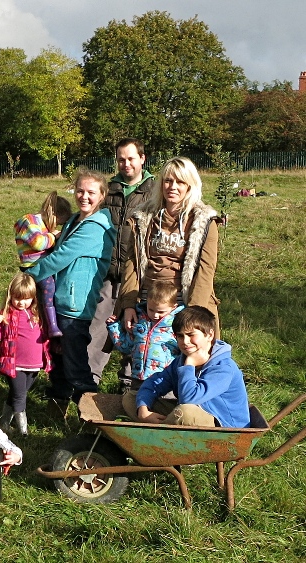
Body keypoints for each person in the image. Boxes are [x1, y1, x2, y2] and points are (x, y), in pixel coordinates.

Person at [25, 169, 114, 403]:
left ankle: (91, 414)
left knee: (76, 366)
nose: (84, 196)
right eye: (80, 190)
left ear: (102, 195)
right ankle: (57, 408)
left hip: (75, 305)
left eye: (91, 192)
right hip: (60, 300)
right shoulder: (74, 220)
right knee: (59, 361)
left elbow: (60, 257)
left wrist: (28, 276)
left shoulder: (96, 227)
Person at [117, 156, 221, 334]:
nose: (173, 187)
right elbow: (131, 265)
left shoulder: (204, 221)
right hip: (147, 303)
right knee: (143, 357)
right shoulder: (142, 217)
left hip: (184, 302)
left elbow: (206, 270)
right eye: (168, 181)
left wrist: (193, 314)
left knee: (187, 357)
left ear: (190, 185)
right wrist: (128, 305)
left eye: (180, 182)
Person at [88, 139, 158, 381]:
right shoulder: (109, 190)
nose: (126, 163)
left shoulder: (154, 190)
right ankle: (89, 380)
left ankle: (130, 380)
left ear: (142, 158)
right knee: (97, 328)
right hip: (108, 272)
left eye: (130, 158)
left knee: (136, 326)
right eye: (121, 159)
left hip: (139, 273)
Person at [132, 306, 249, 428]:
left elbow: (189, 399)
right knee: (132, 398)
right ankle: (160, 427)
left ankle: (158, 432)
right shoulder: (180, 361)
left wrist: (189, 365)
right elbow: (154, 383)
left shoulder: (223, 368)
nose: (185, 341)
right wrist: (143, 410)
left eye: (191, 334)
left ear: (209, 335)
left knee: (185, 412)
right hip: (189, 413)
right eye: (180, 336)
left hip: (224, 424)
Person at [0, 273, 51, 436]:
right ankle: (24, 431)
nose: (21, 303)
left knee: (18, 394)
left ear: (33, 298)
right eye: (17, 298)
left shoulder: (37, 314)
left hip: (35, 364)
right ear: (11, 296)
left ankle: (3, 422)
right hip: (14, 364)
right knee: (20, 396)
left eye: (26, 299)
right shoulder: (7, 314)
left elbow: (44, 337)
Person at [108, 279, 184, 412]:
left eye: (161, 312)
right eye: (151, 309)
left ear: (174, 307)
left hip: (164, 381)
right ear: (146, 303)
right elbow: (126, 345)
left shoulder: (177, 327)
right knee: (136, 405)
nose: (155, 315)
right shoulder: (140, 323)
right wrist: (114, 327)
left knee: (164, 407)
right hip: (139, 379)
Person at [15, 191, 72, 337]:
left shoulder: (44, 226)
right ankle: (52, 325)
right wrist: (53, 236)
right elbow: (38, 243)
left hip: (44, 265)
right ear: (54, 216)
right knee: (49, 287)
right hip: (34, 266)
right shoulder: (29, 221)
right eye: (59, 221)